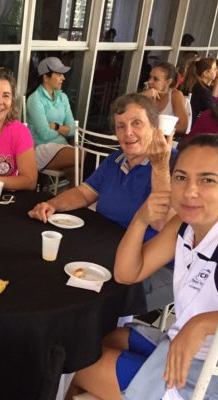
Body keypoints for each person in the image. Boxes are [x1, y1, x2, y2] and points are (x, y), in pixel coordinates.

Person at [69, 134, 218, 400]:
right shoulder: (187, 224)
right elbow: (128, 273)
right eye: (181, 177)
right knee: (97, 339)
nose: (190, 191)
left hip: (205, 385)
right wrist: (140, 219)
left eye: (207, 180)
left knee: (72, 361)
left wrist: (203, 324)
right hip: (178, 351)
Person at [29, 93, 176, 312]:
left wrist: (160, 165)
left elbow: (161, 223)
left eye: (136, 123)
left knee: (82, 299)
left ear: (156, 128)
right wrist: (53, 204)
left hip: (151, 268)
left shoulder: (175, 166)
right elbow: (84, 193)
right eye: (120, 126)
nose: (128, 132)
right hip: (107, 250)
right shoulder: (116, 159)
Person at [26, 57, 76, 179]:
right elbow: (44, 134)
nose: (63, 78)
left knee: (76, 170)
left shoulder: (63, 97)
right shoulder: (35, 99)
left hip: (62, 146)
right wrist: (63, 130)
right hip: (41, 148)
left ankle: (72, 191)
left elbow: (73, 130)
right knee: (82, 156)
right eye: (59, 74)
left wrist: (56, 127)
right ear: (45, 77)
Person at [142, 62, 189, 134]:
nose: (149, 81)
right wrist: (142, 96)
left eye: (155, 79)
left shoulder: (174, 95)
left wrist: (157, 130)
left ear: (168, 82)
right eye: (150, 77)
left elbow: (183, 126)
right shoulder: (147, 94)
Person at [182, 57, 218, 124]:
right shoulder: (203, 91)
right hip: (191, 124)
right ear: (205, 73)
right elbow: (213, 112)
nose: (217, 72)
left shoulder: (191, 84)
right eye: (214, 69)